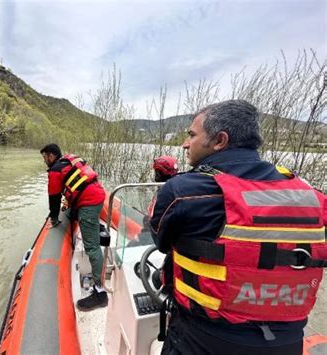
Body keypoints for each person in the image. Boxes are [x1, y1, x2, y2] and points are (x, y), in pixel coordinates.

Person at [150, 100, 327, 354]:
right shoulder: (310, 195)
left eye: (191, 135)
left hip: (202, 339)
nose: (185, 143)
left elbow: (161, 241)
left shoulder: (184, 192)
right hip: (287, 340)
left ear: (219, 140)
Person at [40, 143, 108, 311]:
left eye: (44, 157)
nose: (44, 161)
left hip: (88, 204)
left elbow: (54, 199)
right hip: (96, 196)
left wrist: (54, 219)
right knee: (76, 215)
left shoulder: (56, 170)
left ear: (51, 155)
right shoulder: (68, 160)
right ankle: (94, 226)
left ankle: (100, 293)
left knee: (92, 248)